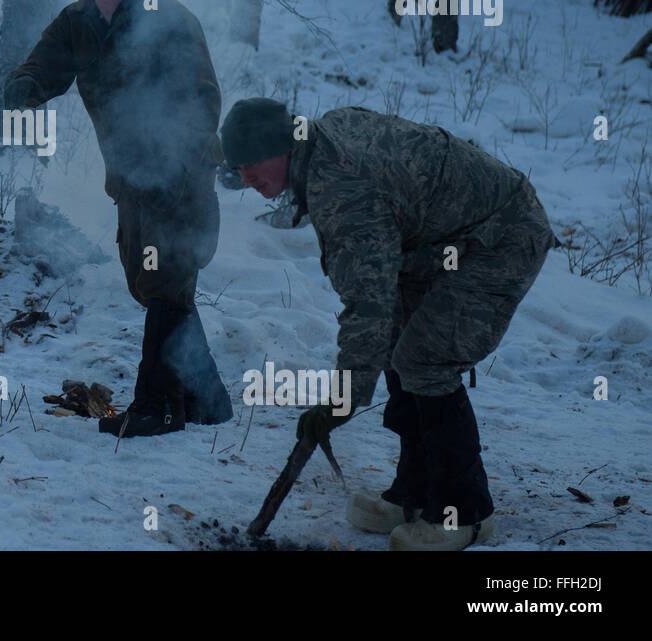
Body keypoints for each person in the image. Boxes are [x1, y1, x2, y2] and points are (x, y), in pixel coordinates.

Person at [219, 99, 555, 550]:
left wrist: (340, 402)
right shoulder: (319, 140)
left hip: (499, 237)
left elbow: (367, 307)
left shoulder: (342, 188)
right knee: (402, 343)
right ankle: (414, 495)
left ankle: (466, 512)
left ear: (283, 148)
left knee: (425, 359)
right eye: (237, 167)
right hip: (439, 243)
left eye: (252, 163)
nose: (245, 178)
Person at [2, 0, 232, 437]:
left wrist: (181, 158)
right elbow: (43, 68)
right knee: (153, 286)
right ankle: (206, 399)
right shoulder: (76, 22)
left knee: (166, 284)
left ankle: (155, 407)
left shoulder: (167, 17)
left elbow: (203, 95)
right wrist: (22, 87)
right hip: (130, 179)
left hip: (181, 173)